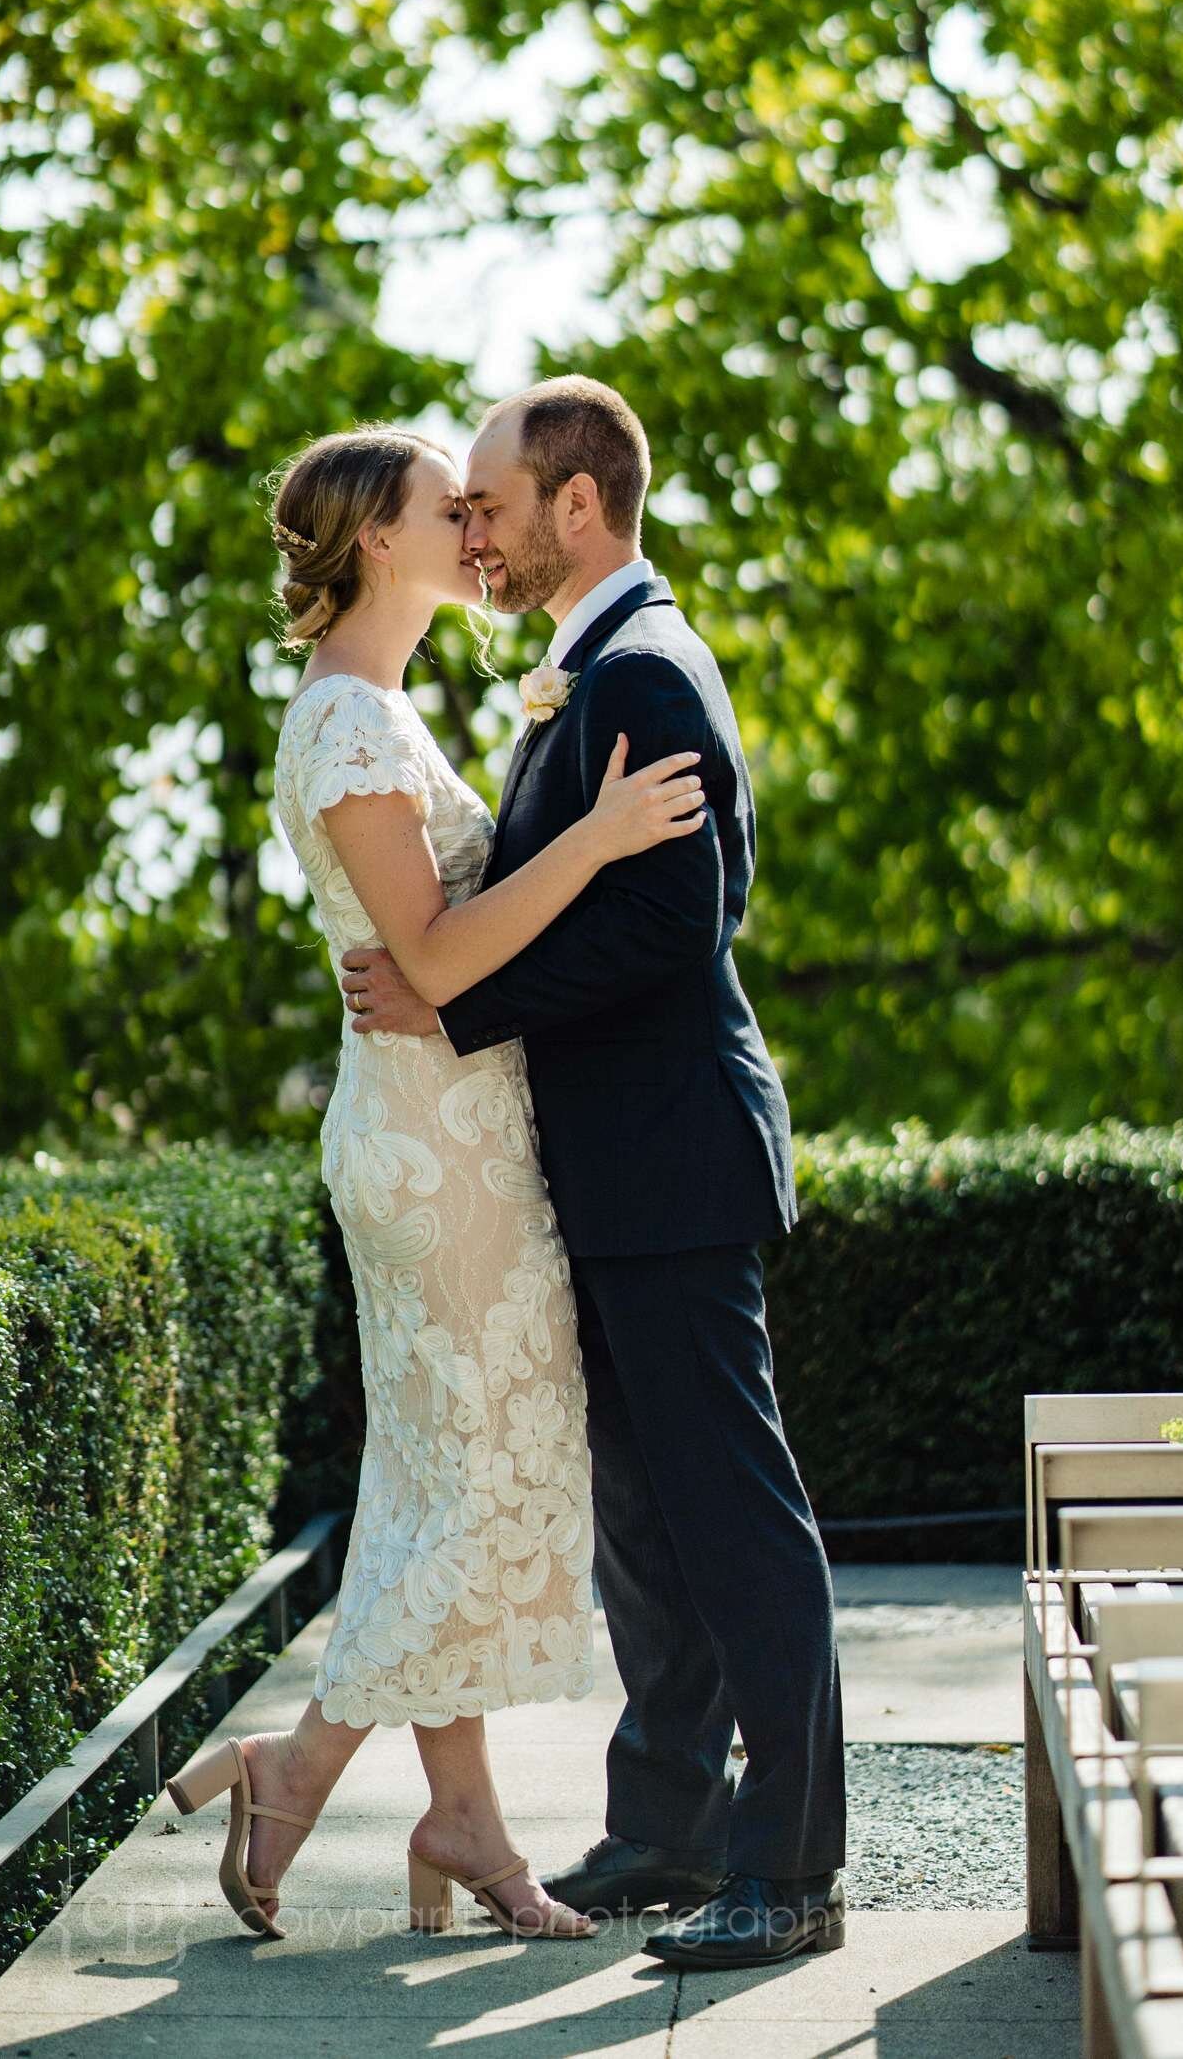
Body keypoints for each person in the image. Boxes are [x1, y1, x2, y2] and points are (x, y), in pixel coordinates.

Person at [163, 421, 708, 1942]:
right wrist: (599, 840)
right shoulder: (346, 727)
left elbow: (436, 954)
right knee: (464, 1482)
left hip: (463, 1132)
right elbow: (442, 956)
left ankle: (448, 1815)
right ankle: (313, 1771)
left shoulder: (383, 713)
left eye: (481, 507)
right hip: (428, 1152)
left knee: (444, 1477)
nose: (476, 531)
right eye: (445, 508)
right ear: (374, 543)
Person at [342, 377, 848, 1971]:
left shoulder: (646, 670)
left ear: (578, 506)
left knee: (735, 1517)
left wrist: (458, 996)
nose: (473, 530)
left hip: (675, 1159)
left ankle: (794, 1874)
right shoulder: (586, 669)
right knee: (648, 1521)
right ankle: (668, 1826)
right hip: (613, 1173)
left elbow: (667, 926)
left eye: (488, 503)